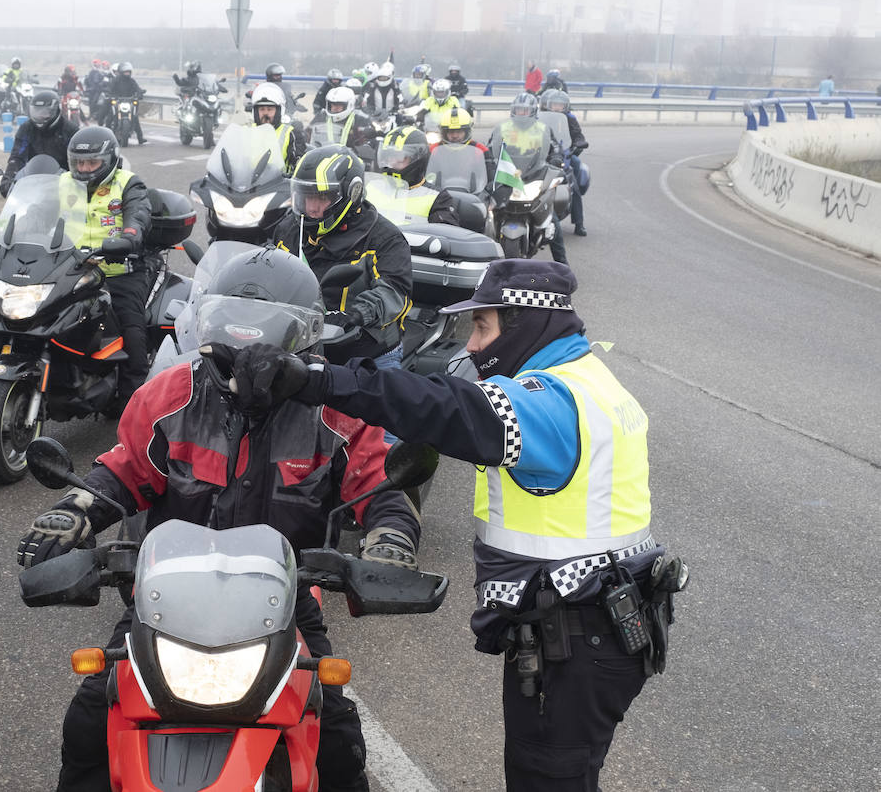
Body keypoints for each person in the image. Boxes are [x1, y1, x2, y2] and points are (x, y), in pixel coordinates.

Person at [228, 258, 684, 792]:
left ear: (524, 325)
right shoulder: (589, 381)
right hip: (602, 624)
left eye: (483, 327)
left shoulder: (552, 404)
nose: (471, 345)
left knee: (547, 779)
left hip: (579, 638)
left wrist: (318, 379)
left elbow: (443, 407)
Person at [18, 246, 420, 792]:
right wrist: (75, 511)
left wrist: (390, 536)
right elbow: (124, 471)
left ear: (302, 338)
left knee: (338, 743)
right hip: (166, 598)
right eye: (232, 329)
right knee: (91, 719)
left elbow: (379, 487)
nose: (245, 351)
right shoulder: (168, 395)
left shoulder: (336, 413)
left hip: (284, 601)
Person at [272, 146, 412, 370]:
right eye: (305, 197)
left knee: (379, 402)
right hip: (300, 343)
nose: (311, 208)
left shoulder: (384, 237)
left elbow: (395, 292)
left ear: (352, 193)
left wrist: (357, 315)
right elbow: (267, 266)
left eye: (321, 198)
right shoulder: (290, 228)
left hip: (366, 352)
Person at [61, 125, 152, 407]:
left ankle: (132, 415)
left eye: (92, 162)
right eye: (79, 162)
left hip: (118, 272)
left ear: (110, 160)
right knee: (27, 319)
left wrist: (129, 238)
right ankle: (2, 396)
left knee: (133, 338)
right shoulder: (61, 183)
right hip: (71, 272)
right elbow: (34, 215)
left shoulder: (127, 184)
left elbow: (139, 217)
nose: (85, 169)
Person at [490, 94, 567, 264]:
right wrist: (487, 160)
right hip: (508, 177)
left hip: (533, 175)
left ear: (532, 111)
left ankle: (562, 265)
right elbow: (491, 148)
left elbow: (555, 148)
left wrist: (556, 159)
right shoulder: (503, 128)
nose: (521, 114)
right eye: (518, 110)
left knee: (552, 221)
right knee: (485, 213)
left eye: (525, 110)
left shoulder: (543, 129)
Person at [372, 126, 462, 226]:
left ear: (417, 159)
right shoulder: (370, 187)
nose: (391, 162)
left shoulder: (437, 198)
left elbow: (446, 237)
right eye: (388, 156)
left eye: (399, 156)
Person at [0, 89, 80, 196]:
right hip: (32, 182)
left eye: (44, 112)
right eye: (36, 111)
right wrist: (8, 178)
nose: (39, 116)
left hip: (63, 185)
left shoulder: (70, 130)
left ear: (55, 110)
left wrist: (78, 182)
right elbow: (17, 156)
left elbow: (77, 161)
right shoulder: (26, 129)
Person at [542, 90, 590, 236]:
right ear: (546, 105)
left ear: (566, 106)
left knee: (573, 186)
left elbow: (578, 135)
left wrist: (578, 144)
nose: (557, 107)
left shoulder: (569, 118)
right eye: (554, 104)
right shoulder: (539, 118)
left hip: (564, 154)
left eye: (560, 105)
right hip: (543, 154)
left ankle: (579, 223)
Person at [250, 82, 308, 168]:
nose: (265, 113)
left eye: (270, 109)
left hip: (281, 180)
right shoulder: (247, 132)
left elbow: (299, 161)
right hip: (248, 180)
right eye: (262, 109)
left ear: (278, 111)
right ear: (255, 112)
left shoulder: (291, 134)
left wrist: (296, 165)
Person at [319, 85, 376, 152]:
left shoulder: (361, 120)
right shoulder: (321, 117)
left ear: (350, 104)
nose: (334, 108)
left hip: (352, 159)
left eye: (338, 105)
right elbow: (309, 136)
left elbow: (367, 143)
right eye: (332, 105)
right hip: (324, 157)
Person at [109, 62, 146, 144]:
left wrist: (140, 93)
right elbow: (110, 89)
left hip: (129, 102)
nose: (127, 73)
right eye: (125, 72)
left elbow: (137, 88)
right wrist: (111, 95)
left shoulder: (131, 81)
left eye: (128, 72)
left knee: (135, 117)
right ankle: (108, 137)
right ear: (121, 72)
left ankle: (140, 137)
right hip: (118, 101)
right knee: (112, 116)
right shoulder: (116, 80)